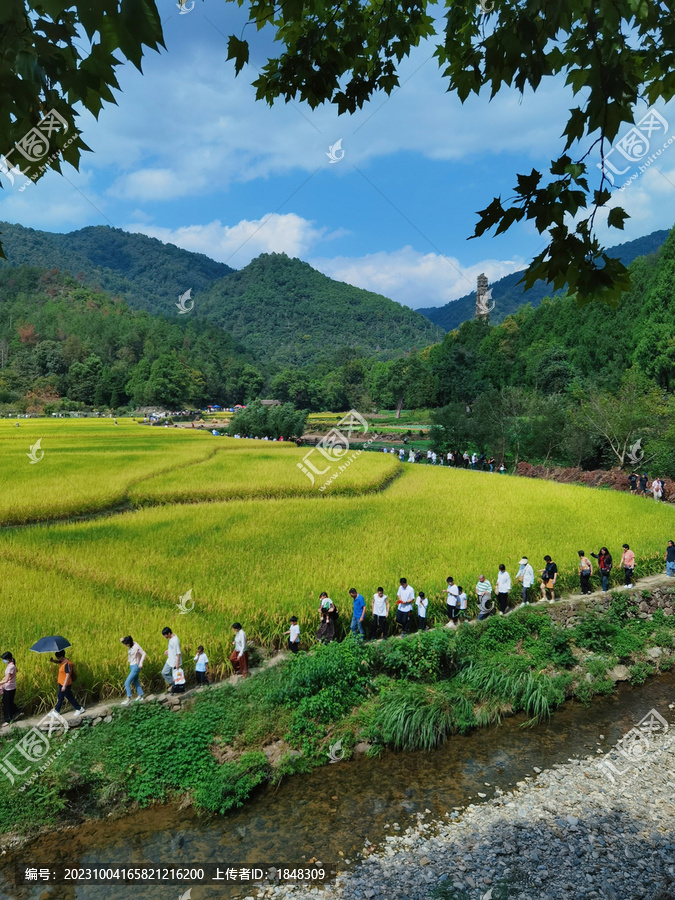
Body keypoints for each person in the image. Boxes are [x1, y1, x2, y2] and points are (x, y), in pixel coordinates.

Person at [50, 650, 85, 716]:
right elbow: (59, 662)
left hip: (65, 684)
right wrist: (53, 661)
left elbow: (68, 675)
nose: (57, 658)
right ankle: (57, 711)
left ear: (62, 656)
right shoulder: (63, 661)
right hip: (61, 683)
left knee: (64, 697)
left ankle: (79, 709)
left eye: (58, 657)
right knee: (65, 697)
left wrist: (64, 686)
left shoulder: (67, 664)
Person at [120, 635, 146, 705]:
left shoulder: (136, 646)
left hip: (135, 666)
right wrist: (122, 640)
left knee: (127, 682)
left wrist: (141, 662)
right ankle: (141, 696)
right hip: (131, 666)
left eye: (126, 644)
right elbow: (124, 641)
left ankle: (129, 698)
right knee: (135, 682)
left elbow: (143, 653)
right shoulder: (130, 645)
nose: (125, 645)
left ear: (129, 642)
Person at [0, 652, 20, 727]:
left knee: (7, 704)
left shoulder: (11, 666)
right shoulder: (11, 665)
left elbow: (6, 680)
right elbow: (16, 671)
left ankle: (8, 719)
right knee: (8, 702)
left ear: (7, 659)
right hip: (11, 687)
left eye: (4, 659)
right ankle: (16, 712)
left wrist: (0, 683)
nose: (3, 661)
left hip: (9, 688)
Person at [161, 627, 181, 691]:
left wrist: (177, 663)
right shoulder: (171, 639)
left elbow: (178, 652)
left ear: (169, 633)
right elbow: (172, 648)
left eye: (165, 635)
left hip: (175, 661)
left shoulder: (175, 640)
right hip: (170, 660)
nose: (164, 636)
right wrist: (168, 651)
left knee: (175, 675)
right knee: (164, 672)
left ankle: (175, 687)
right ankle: (174, 684)